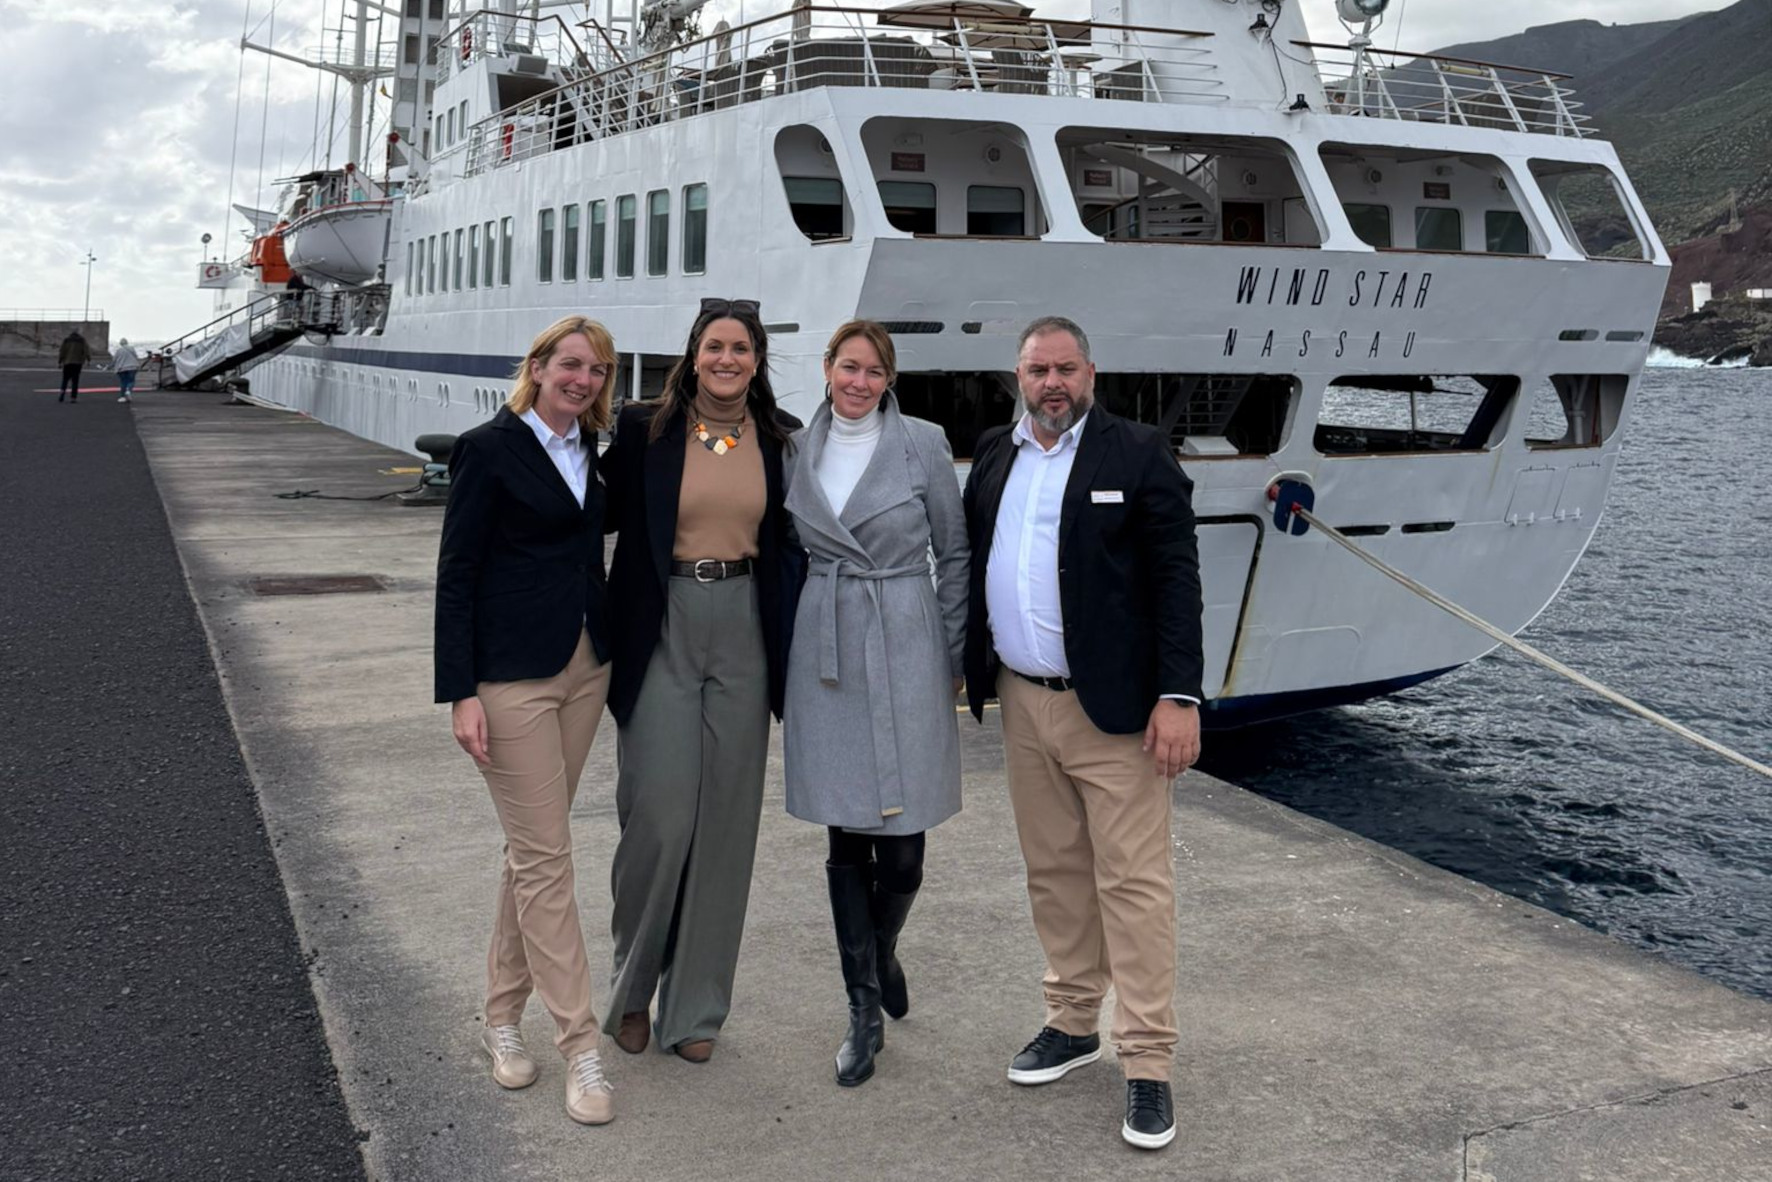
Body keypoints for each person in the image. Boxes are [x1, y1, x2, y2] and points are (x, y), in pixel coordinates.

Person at [961, 315, 1204, 1151]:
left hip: (1117, 711)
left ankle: (1148, 1060)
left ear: (1090, 374)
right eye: (1039, 370)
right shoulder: (996, 453)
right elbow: (977, 559)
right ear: (1018, 376)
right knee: (1055, 872)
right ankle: (1072, 1023)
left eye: (1066, 369)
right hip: (1023, 701)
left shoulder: (1136, 453)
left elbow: (1176, 579)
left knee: (1133, 885)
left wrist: (1179, 696)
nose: (1053, 383)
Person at [600, 298, 803, 1063]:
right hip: (664, 619)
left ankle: (694, 1010)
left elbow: (798, 542)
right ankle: (631, 991)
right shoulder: (644, 428)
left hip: (745, 625)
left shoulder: (781, 439)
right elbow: (593, 511)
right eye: (714, 346)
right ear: (693, 354)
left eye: (740, 348)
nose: (726, 359)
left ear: (757, 360)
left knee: (725, 826)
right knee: (659, 816)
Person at [433, 315, 620, 1126]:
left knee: (530, 854)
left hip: (585, 668)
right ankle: (580, 1046)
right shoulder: (488, 448)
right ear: (538, 367)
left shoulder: (589, 450)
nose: (584, 379)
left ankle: (501, 1017)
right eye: (571, 364)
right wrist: (460, 691)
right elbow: (457, 572)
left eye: (598, 370)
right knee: (547, 860)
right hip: (510, 679)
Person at [781, 320, 969, 1087]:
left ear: (890, 379)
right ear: (827, 369)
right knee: (846, 833)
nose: (859, 382)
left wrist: (950, 653)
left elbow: (953, 551)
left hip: (906, 636)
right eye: (848, 367)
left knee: (904, 850)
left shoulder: (923, 444)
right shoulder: (796, 449)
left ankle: (880, 949)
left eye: (874, 370)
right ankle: (862, 1005)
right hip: (827, 644)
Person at [58, 330, 89, 403]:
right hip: (77, 363)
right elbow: (86, 351)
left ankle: (62, 394)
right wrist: (88, 359)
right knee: (75, 381)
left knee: (65, 380)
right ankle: (73, 397)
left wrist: (60, 361)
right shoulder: (82, 340)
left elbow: (62, 351)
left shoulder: (66, 340)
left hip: (67, 363)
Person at [111, 338, 141, 403]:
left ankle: (122, 397)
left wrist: (111, 366)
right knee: (131, 381)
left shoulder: (119, 350)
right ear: (127, 342)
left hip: (121, 368)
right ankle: (128, 390)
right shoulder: (132, 349)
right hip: (132, 367)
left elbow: (114, 360)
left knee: (123, 382)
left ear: (120, 343)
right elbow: (136, 357)